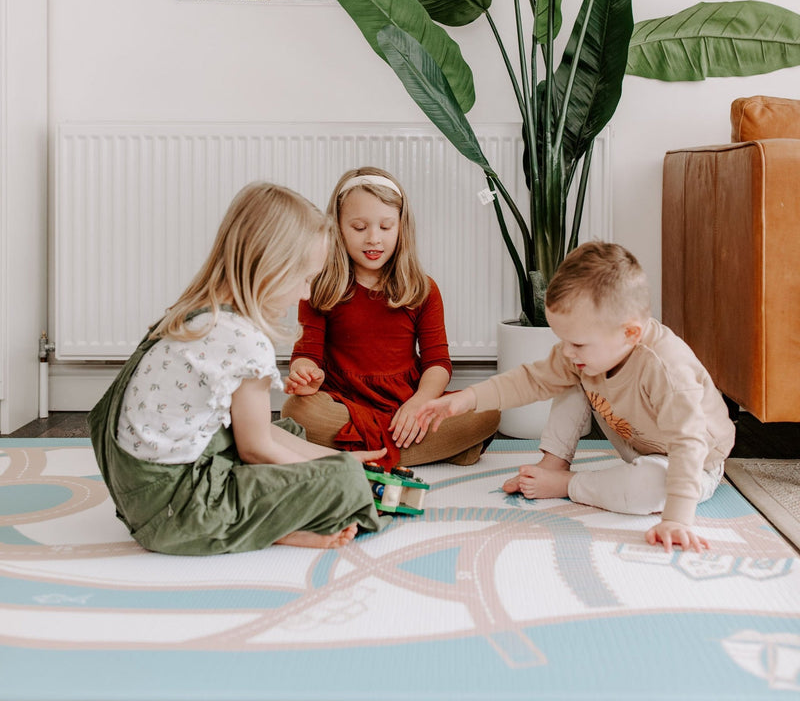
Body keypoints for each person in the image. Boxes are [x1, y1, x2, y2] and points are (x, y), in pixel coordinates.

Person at [88, 182, 389, 556]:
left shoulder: (191, 314)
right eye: (306, 279)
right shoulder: (246, 342)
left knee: (289, 431)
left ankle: (269, 522)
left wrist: (330, 457)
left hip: (137, 497)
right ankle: (266, 525)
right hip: (179, 514)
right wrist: (338, 471)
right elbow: (257, 450)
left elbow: (258, 436)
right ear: (272, 268)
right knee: (345, 483)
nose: (306, 295)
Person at [415, 241, 736, 553]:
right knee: (571, 375)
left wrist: (677, 519)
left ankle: (566, 483)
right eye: (563, 340)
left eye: (578, 343)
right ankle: (553, 463)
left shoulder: (666, 366)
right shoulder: (589, 353)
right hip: (641, 446)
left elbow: (688, 442)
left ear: (630, 333)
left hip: (695, 463)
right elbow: (531, 379)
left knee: (647, 489)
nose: (567, 351)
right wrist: (466, 399)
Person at [281, 167, 499, 468]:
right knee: (296, 410)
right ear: (338, 228)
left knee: (489, 405)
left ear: (401, 227)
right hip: (343, 405)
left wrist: (420, 402)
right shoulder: (320, 287)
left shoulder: (424, 289)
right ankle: (442, 449)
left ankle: (364, 452)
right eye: (359, 228)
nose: (373, 239)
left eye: (385, 227)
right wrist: (306, 375)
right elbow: (306, 355)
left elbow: (437, 363)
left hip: (406, 405)